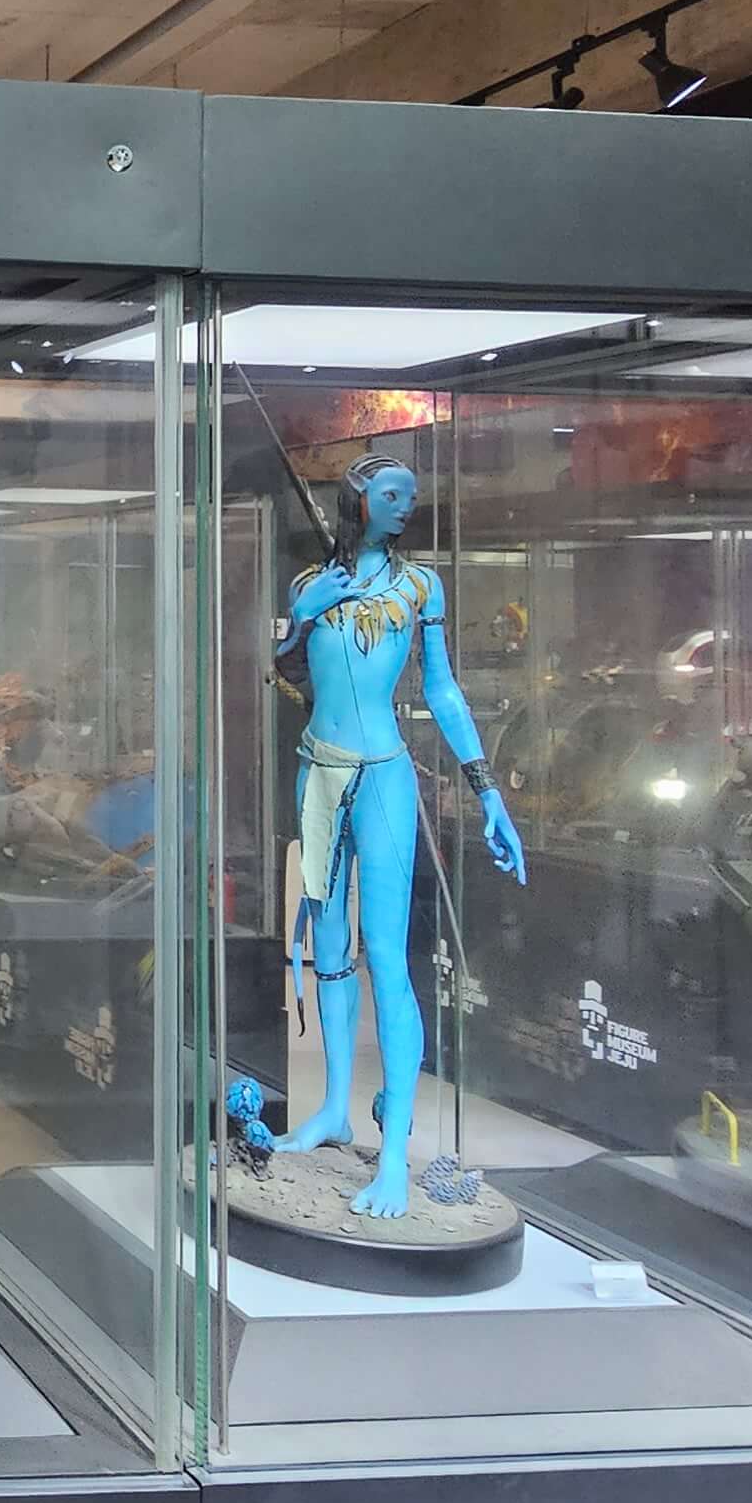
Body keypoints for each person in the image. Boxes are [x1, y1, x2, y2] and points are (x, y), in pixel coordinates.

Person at [268, 454, 527, 1218]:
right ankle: (333, 1109)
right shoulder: (310, 584)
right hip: (317, 770)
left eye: (410, 495)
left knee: (386, 955)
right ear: (356, 501)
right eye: (389, 493)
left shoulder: (420, 587)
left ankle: (393, 1158)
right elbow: (285, 673)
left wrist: (486, 787)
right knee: (329, 946)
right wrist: (307, 614)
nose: (404, 505)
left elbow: (441, 689)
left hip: (383, 774)